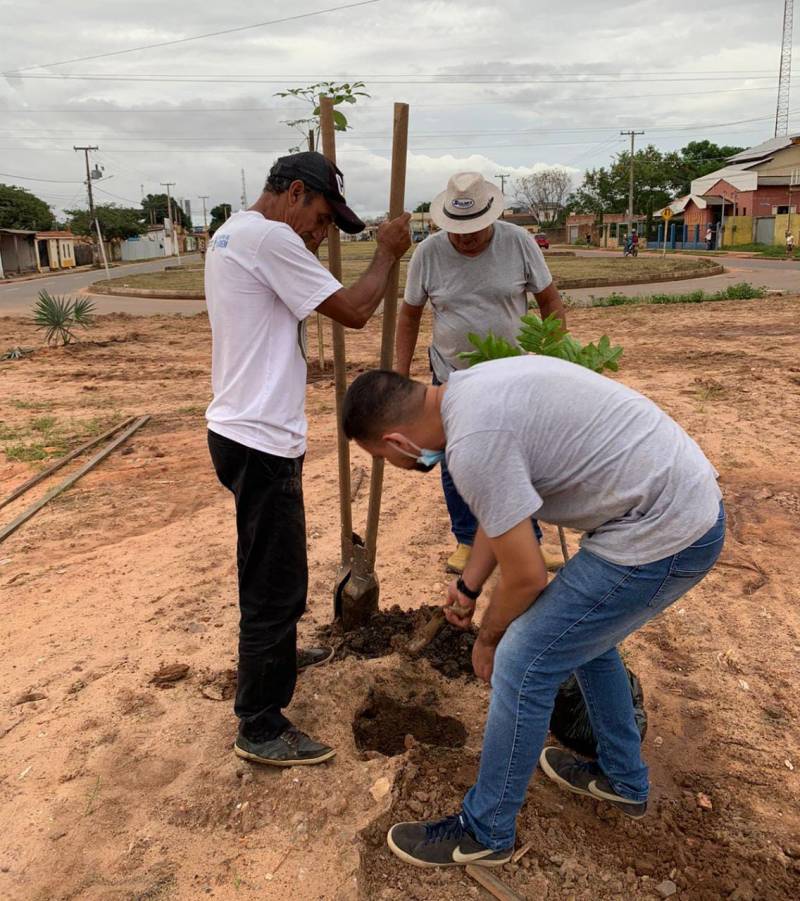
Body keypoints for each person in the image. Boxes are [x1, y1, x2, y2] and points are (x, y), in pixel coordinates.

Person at [342, 359, 724, 868]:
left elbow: (526, 577)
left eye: (378, 457)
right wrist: (468, 584)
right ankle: (623, 780)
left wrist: (488, 638)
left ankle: (485, 830)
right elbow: (500, 511)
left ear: (395, 442)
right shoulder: (467, 394)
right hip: (674, 505)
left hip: (665, 532)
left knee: (523, 660)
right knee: (581, 636)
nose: (391, 464)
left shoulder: (473, 444)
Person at [205, 152, 411, 768]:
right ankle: (260, 724)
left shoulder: (231, 233)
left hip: (241, 430)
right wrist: (388, 253)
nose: (320, 235)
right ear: (293, 192)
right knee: (274, 582)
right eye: (320, 219)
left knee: (272, 565)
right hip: (260, 439)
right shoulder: (269, 238)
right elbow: (354, 311)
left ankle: (277, 657)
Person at [395, 172, 566, 574]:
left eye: (473, 230)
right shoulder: (429, 254)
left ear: (491, 217)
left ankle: (531, 541)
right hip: (452, 374)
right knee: (457, 459)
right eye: (457, 230)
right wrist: (400, 377)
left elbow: (550, 302)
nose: (465, 238)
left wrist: (556, 354)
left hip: (514, 373)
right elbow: (409, 314)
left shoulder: (519, 242)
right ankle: (468, 541)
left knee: (519, 458)